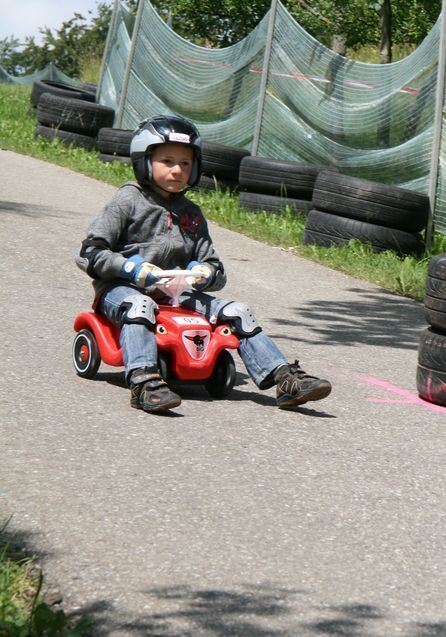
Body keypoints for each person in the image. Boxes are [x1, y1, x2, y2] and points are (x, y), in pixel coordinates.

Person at [76, 114, 331, 413]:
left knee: (238, 313)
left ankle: (284, 379)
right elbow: (89, 253)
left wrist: (204, 273)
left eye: (185, 163)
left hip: (177, 293)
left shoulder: (191, 213)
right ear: (144, 161)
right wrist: (132, 268)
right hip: (122, 289)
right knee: (139, 306)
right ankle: (144, 383)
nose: (177, 170)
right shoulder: (127, 201)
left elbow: (216, 267)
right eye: (167, 161)